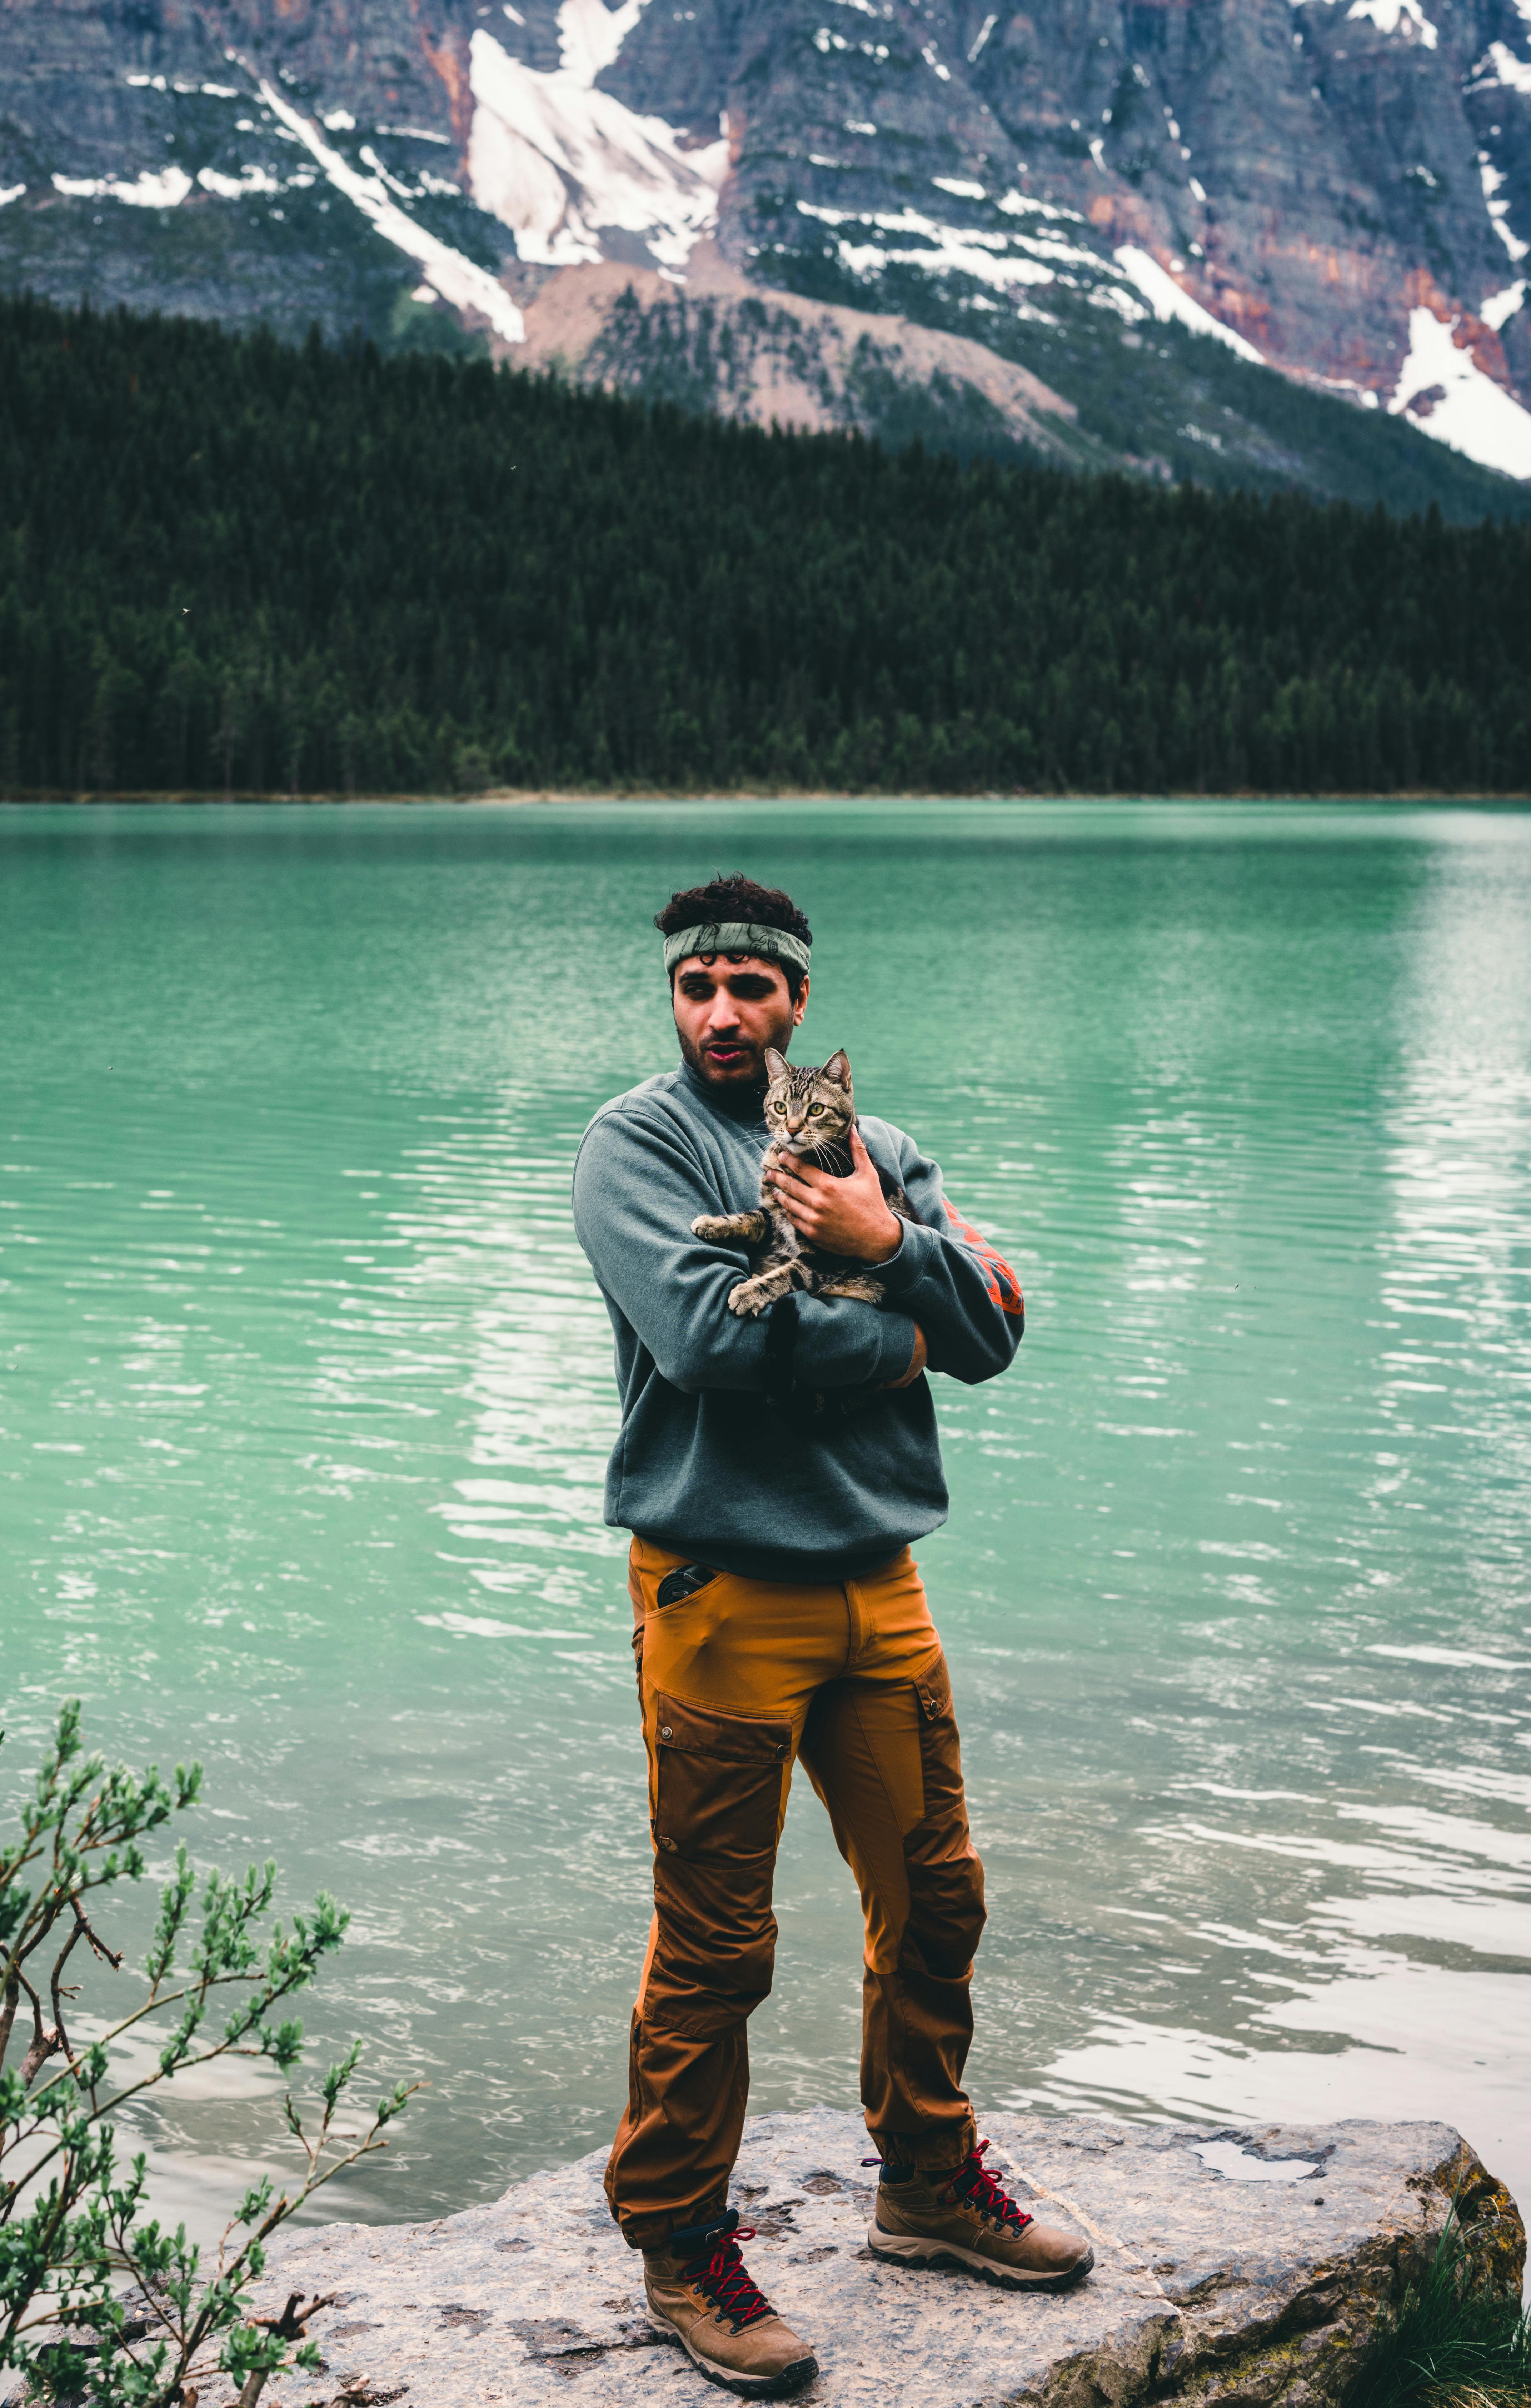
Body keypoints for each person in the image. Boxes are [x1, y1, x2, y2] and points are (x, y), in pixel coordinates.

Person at [572, 873, 1090, 2397]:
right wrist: (903, 1321)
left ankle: (924, 2186)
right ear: (674, 1002)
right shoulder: (638, 1145)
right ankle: (679, 2247)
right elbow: (707, 1339)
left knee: (935, 1900)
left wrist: (884, 1234)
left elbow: (994, 1329)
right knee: (716, 1948)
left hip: (879, 1588)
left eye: (753, 986)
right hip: (718, 1593)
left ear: (798, 998)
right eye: (699, 989)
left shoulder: (884, 1149)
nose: (724, 1012)